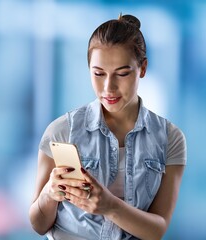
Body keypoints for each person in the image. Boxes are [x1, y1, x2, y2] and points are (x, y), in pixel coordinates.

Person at [29, 14, 187, 240]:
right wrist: (49, 195)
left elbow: (157, 229)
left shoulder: (170, 138)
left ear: (142, 68)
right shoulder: (61, 130)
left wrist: (109, 206)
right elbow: (38, 224)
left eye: (122, 74)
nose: (108, 87)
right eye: (98, 73)